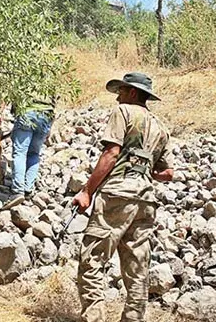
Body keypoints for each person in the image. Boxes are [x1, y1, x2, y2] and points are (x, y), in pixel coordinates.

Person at [72, 72, 174, 322]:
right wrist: (143, 166)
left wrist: (87, 191)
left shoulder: (124, 112)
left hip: (117, 194)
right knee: (137, 269)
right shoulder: (160, 127)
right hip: (146, 201)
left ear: (132, 93)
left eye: (121, 91)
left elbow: (111, 153)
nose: (117, 97)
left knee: (92, 260)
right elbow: (167, 173)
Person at [0, 93, 56, 210]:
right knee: (34, 153)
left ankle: (17, 191)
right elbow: (53, 103)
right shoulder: (50, 77)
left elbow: (8, 91)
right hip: (45, 116)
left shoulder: (23, 74)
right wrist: (50, 126)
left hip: (27, 113)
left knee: (20, 153)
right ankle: (28, 190)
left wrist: (0, 114)